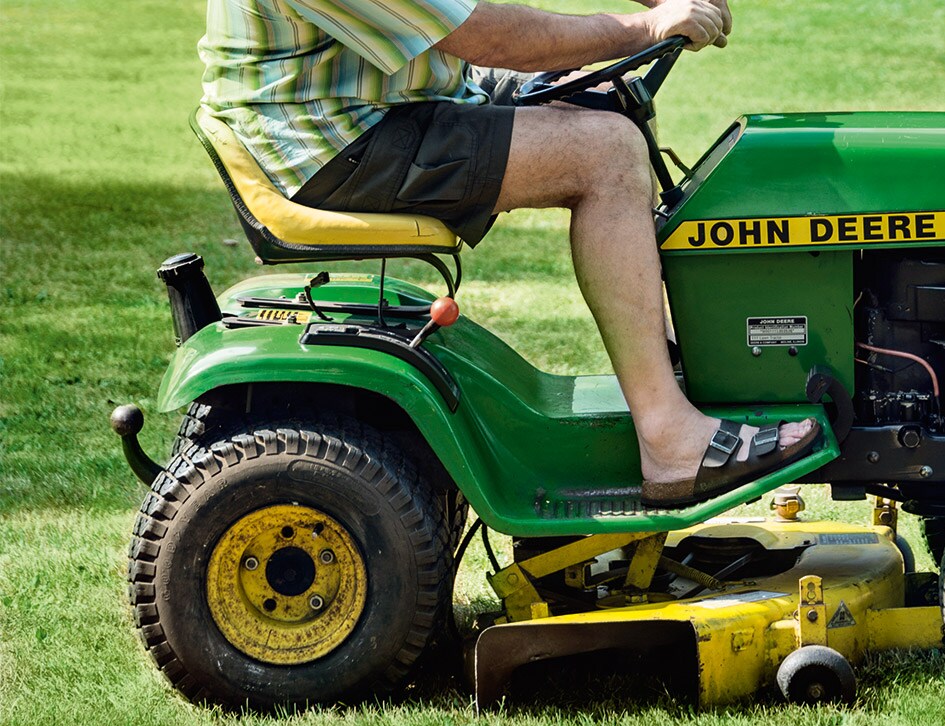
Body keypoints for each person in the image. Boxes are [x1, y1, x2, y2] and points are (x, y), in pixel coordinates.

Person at [200, 0, 817, 506]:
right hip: (332, 142)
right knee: (607, 153)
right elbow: (485, 35)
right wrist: (642, 28)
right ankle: (669, 438)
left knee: (608, 98)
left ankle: (677, 372)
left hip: (391, 102)